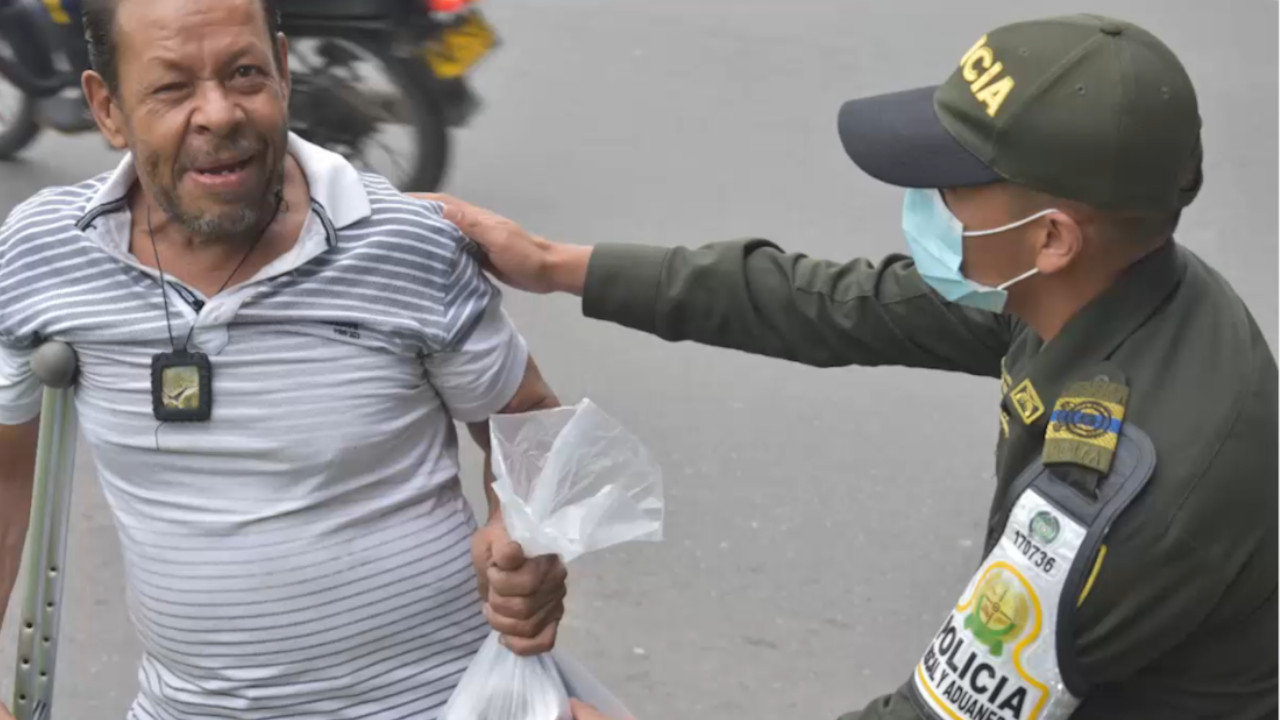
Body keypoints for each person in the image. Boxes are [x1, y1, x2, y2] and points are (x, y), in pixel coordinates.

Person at [419, 13, 1277, 720]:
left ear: (1051, 237)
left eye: (950, 184)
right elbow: (829, 302)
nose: (922, 203)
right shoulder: (1105, 288)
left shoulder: (1120, 490)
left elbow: (945, 713)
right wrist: (553, 264)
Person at [0, 0, 568, 718]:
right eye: (172, 87)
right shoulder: (47, 254)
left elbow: (526, 417)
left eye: (244, 74)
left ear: (284, 73)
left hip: (443, 703)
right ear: (108, 109)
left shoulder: (403, 242)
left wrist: (522, 529)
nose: (219, 114)